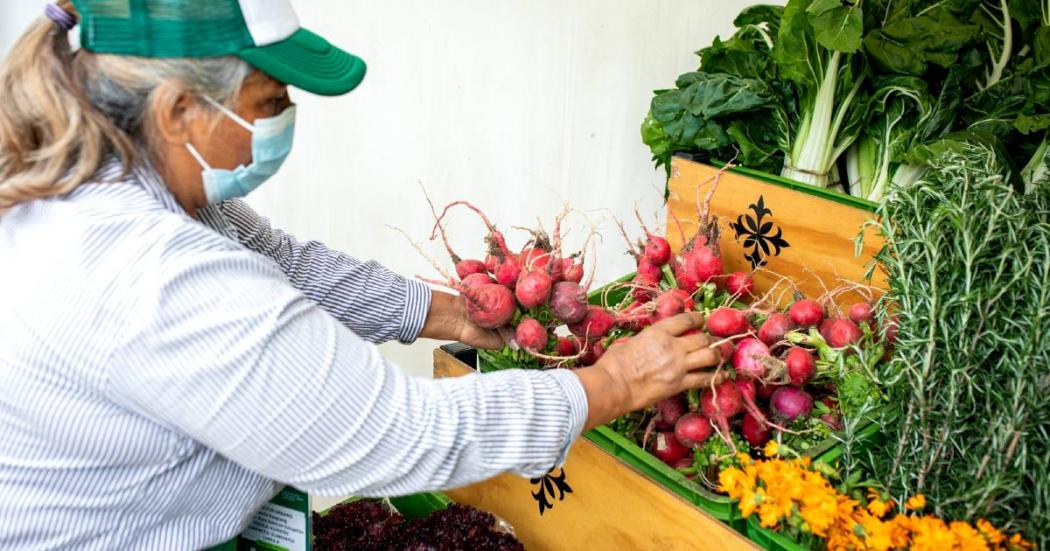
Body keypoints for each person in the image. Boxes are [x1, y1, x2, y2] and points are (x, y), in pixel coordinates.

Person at [0, 1, 723, 549]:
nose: (287, 117)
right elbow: (406, 432)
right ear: (180, 110)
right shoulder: (150, 276)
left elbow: (289, 266)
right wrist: (615, 384)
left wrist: (453, 316)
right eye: (271, 102)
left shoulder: (135, 189)